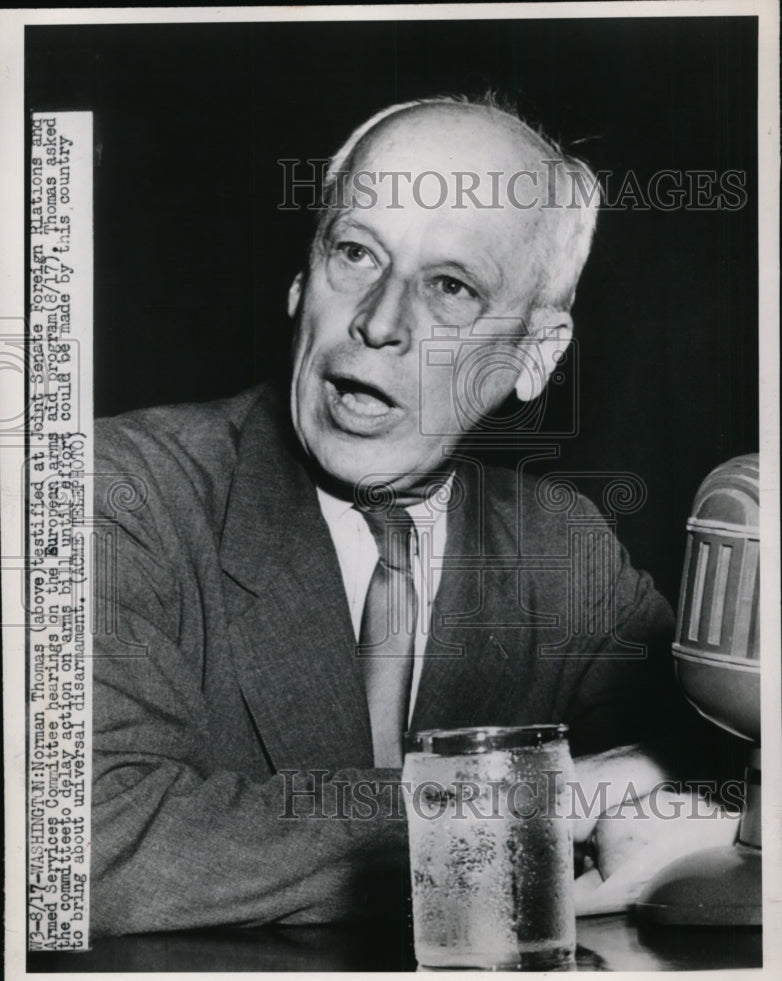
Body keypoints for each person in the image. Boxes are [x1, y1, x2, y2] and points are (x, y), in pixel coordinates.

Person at [91, 96, 692, 937]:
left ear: (534, 355)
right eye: (355, 252)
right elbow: (87, 842)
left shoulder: (568, 555)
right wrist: (530, 802)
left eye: (450, 286)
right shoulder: (117, 492)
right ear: (302, 280)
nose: (377, 321)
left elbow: (695, 792)